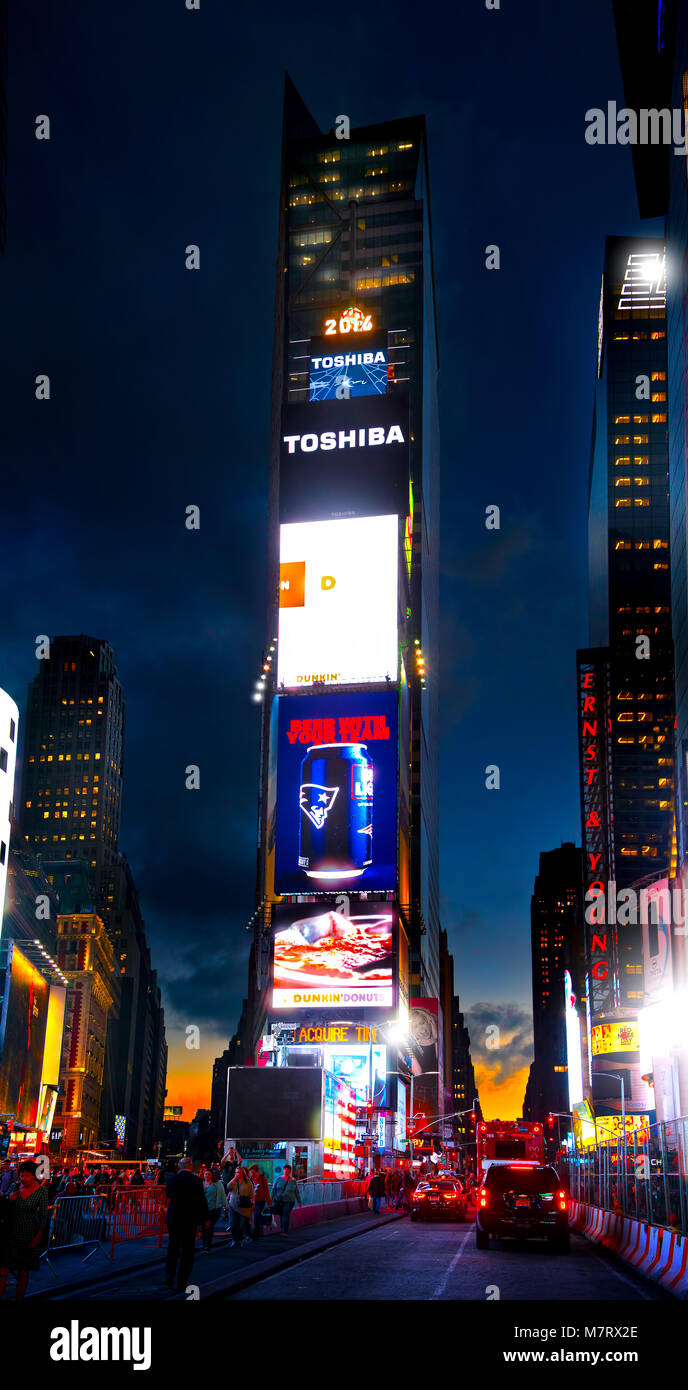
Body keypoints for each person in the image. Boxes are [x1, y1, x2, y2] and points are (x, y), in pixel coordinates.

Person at [0, 1160, 50, 1300]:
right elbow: (4, 1205)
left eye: (27, 1176)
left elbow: (44, 1216)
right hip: (10, 1233)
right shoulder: (15, 1186)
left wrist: (37, 1237)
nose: (24, 1179)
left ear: (34, 1176)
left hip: (28, 1234)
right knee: (3, 1270)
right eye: (22, 1176)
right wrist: (9, 1199)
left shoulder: (41, 1192)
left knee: (23, 1272)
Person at [164, 1157, 209, 1293]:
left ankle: (169, 1277)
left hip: (173, 1217)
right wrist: (204, 1219)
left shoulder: (173, 1179)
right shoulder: (196, 1180)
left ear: (180, 1166)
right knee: (188, 1250)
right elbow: (201, 1200)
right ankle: (182, 1280)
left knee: (173, 1247)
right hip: (189, 1218)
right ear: (190, 1166)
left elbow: (168, 1193)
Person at [270, 1165, 302, 1237]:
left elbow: (296, 1191)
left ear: (290, 1171)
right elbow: (273, 1189)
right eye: (285, 1169)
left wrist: (299, 1201)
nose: (286, 1171)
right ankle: (283, 1229)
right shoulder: (278, 1179)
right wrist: (270, 1199)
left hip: (289, 1201)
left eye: (288, 1169)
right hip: (279, 1200)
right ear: (283, 1170)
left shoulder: (293, 1181)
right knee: (282, 1215)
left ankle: (285, 1231)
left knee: (285, 1215)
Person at [227, 1166, 254, 1247]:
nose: (237, 1174)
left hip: (244, 1207)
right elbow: (228, 1187)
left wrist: (253, 1203)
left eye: (239, 1172)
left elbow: (251, 1194)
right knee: (232, 1224)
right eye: (236, 1172)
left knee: (241, 1225)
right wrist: (234, 1179)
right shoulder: (233, 1181)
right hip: (233, 1205)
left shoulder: (248, 1182)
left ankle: (240, 1239)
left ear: (242, 1173)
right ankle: (234, 1240)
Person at [202, 1168, 227, 1251]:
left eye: (209, 1174)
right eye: (206, 1174)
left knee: (209, 1226)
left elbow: (223, 1195)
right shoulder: (201, 1184)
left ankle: (207, 1245)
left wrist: (225, 1205)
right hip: (203, 1210)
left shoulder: (217, 1184)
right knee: (203, 1227)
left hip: (214, 1209)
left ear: (212, 1175)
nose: (207, 1176)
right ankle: (204, 1243)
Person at [248, 1164, 271, 1241]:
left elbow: (266, 1190)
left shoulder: (262, 1178)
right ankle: (253, 1233)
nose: (252, 1173)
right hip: (251, 1201)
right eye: (251, 1172)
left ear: (256, 1171)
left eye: (253, 1172)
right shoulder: (250, 1179)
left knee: (256, 1216)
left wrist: (268, 1200)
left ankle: (255, 1235)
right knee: (252, 1218)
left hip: (260, 1201)